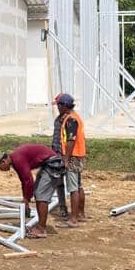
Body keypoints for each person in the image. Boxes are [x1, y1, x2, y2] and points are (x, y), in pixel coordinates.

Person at [0, 143, 68, 239]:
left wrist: (26, 199)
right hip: (48, 164)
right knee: (38, 193)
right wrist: (26, 199)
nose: (0, 170)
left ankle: (41, 229)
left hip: (53, 164)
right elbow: (24, 181)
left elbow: (28, 180)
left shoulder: (17, 159)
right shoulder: (15, 160)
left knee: (41, 196)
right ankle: (40, 226)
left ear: (3, 162)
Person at [52, 93, 87, 224]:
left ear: (64, 106)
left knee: (73, 188)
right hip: (78, 155)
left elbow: (71, 140)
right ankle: (80, 214)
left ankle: (73, 218)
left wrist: (66, 159)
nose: (58, 108)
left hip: (72, 156)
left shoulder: (71, 119)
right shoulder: (74, 117)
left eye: (59, 105)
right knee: (78, 186)